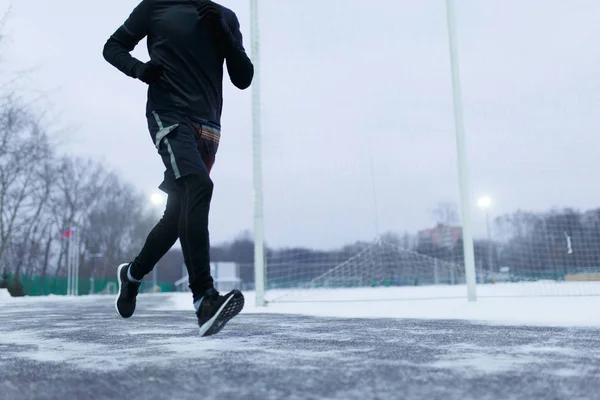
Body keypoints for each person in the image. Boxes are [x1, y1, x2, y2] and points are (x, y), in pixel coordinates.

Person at [102, 0, 254, 337]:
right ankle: (205, 299)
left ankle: (131, 275)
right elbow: (112, 47)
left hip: (209, 129)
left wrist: (226, 34)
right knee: (199, 185)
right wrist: (139, 69)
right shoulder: (156, 6)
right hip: (168, 114)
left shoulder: (224, 17)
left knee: (177, 216)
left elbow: (243, 78)